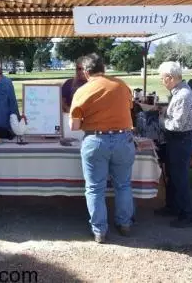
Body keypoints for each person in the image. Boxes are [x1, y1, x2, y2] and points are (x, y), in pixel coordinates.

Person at [69, 53, 135, 243]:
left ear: (86, 72)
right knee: (123, 185)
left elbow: (74, 126)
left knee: (95, 188)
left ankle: (99, 230)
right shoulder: (122, 85)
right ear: (103, 68)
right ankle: (125, 224)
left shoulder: (83, 90)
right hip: (123, 138)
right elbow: (128, 108)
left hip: (96, 141)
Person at [155, 61, 192, 228]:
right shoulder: (179, 92)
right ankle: (173, 207)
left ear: (170, 78)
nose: (161, 81)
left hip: (181, 140)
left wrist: (160, 119)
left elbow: (177, 125)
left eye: (162, 78)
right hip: (178, 140)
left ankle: (187, 214)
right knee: (172, 176)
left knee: (180, 179)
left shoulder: (182, 95)